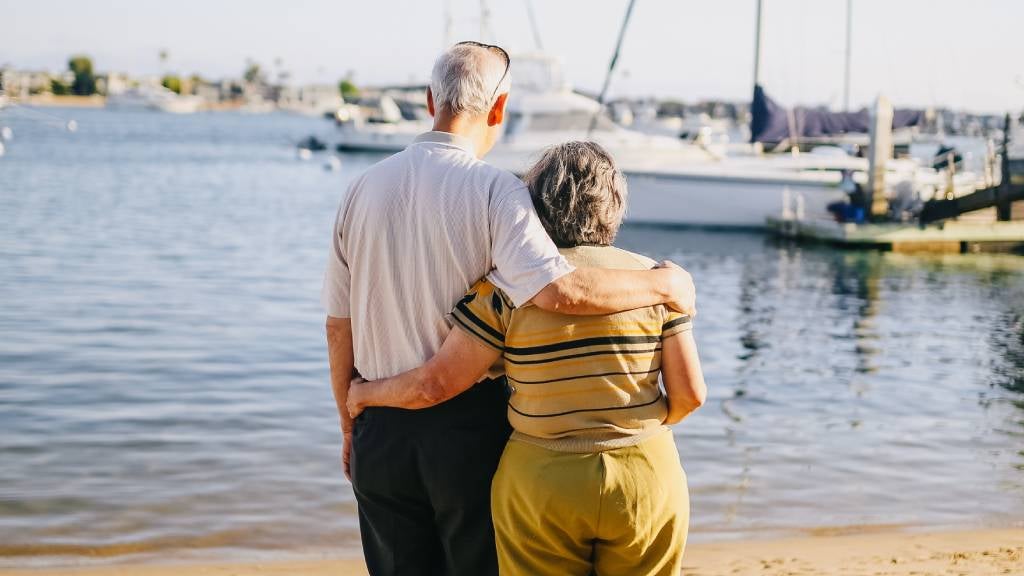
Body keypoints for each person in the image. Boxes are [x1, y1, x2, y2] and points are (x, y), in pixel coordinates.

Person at [322, 43, 697, 576]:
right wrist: (665, 285)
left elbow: (339, 328)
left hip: (378, 432)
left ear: (431, 100)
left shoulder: (358, 190)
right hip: (467, 433)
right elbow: (559, 292)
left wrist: (349, 422)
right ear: (499, 109)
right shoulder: (497, 191)